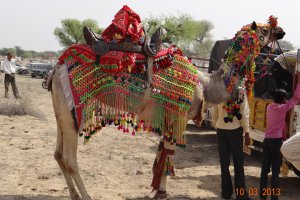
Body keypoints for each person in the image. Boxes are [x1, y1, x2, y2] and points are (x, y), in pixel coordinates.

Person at [259, 72, 300, 200]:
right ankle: (274, 197)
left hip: (266, 141)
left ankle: (262, 195)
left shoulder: (270, 107)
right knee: (275, 171)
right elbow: (295, 99)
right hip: (276, 142)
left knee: (264, 169)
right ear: (283, 100)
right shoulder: (283, 108)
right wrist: (299, 82)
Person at [211, 93, 252, 200]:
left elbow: (214, 111)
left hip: (221, 130)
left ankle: (226, 193)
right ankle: (241, 195)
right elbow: (244, 113)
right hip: (235, 131)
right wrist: (247, 132)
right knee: (238, 163)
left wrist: (217, 124)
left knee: (224, 163)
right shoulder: (240, 91)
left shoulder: (219, 90)